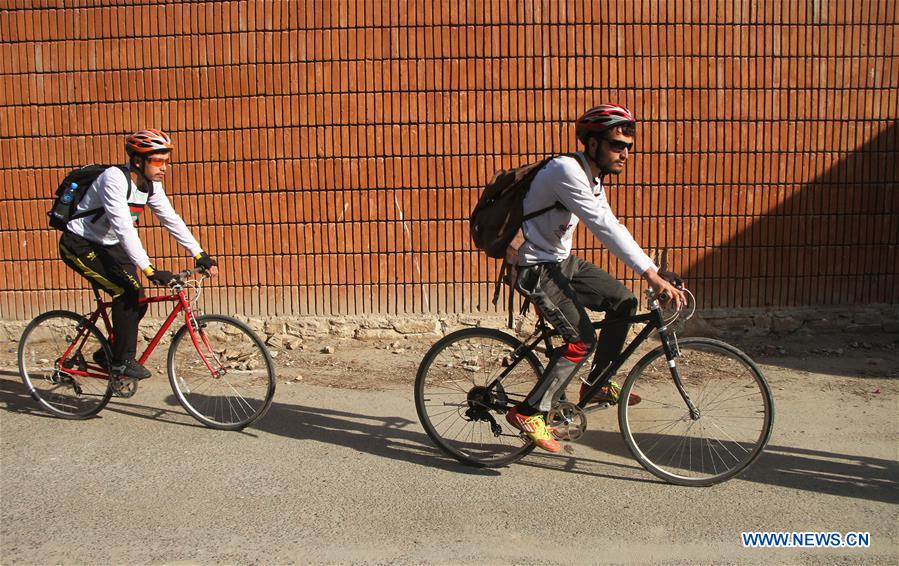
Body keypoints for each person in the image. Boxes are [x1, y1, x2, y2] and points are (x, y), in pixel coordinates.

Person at [505, 104, 687, 452]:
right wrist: (650, 274)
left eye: (629, 147)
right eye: (618, 145)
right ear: (591, 144)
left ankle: (596, 383)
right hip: (534, 267)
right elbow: (602, 228)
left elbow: (613, 223)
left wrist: (655, 271)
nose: (626, 153)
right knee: (581, 341)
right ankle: (528, 411)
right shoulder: (566, 171)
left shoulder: (592, 177)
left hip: (561, 262)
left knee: (624, 301)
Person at [58, 129, 219, 379]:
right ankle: (122, 361)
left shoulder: (151, 185)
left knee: (138, 299)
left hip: (110, 244)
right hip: (80, 244)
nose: (164, 167)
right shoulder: (114, 179)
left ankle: (108, 354)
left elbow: (170, 219)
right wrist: (149, 269)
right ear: (137, 161)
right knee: (127, 291)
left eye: (167, 161)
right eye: (158, 161)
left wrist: (199, 253)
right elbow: (124, 227)